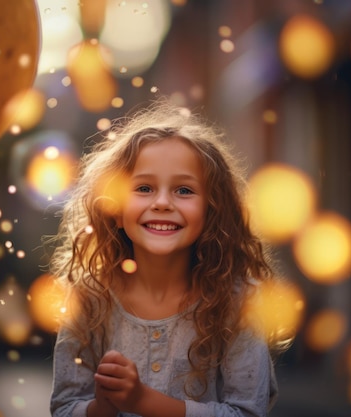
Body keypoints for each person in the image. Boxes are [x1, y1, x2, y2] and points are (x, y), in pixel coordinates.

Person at [49, 99, 279, 417]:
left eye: (184, 191)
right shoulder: (88, 300)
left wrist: (143, 402)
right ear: (114, 208)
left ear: (212, 211)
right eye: (143, 188)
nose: (162, 203)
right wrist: (103, 407)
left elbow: (248, 412)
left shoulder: (241, 302)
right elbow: (63, 407)